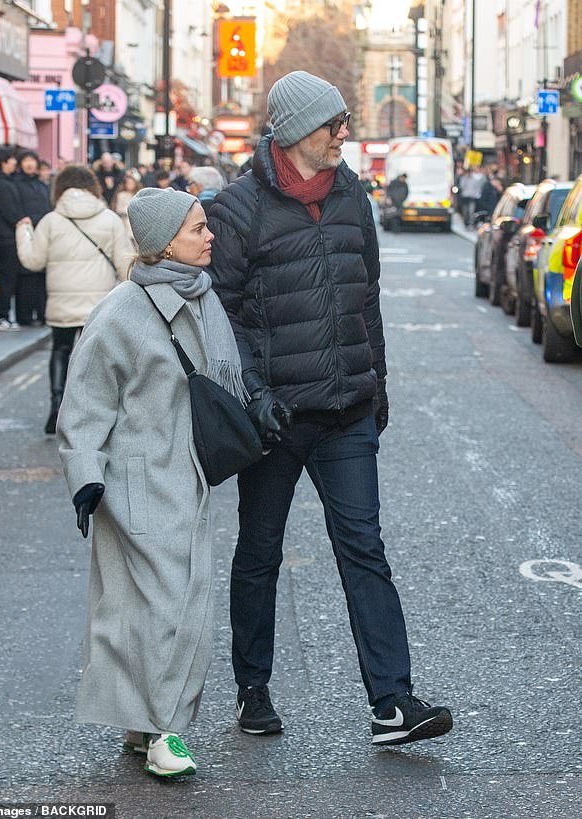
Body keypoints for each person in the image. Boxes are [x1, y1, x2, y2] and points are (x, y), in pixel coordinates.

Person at [208, 70, 453, 747]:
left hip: (347, 410)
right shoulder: (237, 210)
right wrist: (252, 397)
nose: (343, 132)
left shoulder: (352, 196)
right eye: (331, 123)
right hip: (276, 418)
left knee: (365, 548)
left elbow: (367, 297)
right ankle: (252, 689)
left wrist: (377, 387)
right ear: (292, 133)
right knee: (260, 552)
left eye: (343, 119)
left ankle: (392, 702)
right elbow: (216, 320)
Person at [56, 186, 244, 778]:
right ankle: (168, 731)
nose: (209, 236)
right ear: (165, 243)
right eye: (197, 229)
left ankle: (142, 726)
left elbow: (221, 380)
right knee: (167, 608)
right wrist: (86, 480)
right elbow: (83, 405)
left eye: (206, 225)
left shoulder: (205, 299)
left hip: (185, 477)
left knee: (158, 606)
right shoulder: (120, 311)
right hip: (133, 483)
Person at [16, 165, 132, 434]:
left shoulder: (50, 221)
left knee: (60, 349)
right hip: (99, 303)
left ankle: (56, 406)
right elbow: (124, 266)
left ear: (60, 189)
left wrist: (23, 232)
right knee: (97, 358)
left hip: (61, 302)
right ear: (93, 187)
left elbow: (33, 261)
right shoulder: (109, 219)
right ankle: (92, 414)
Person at [14, 150, 52, 325]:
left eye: (32, 161)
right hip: (26, 234)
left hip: (42, 234)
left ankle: (41, 313)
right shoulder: (16, 184)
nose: (29, 164)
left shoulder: (41, 185)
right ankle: (25, 315)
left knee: (41, 277)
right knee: (26, 277)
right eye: (26, 161)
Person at [0, 148, 23, 331]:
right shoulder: (1, 183)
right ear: (3, 162)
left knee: (9, 278)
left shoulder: (3, 181)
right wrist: (20, 220)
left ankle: (4, 315)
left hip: (6, 237)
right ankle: (1, 316)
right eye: (11, 159)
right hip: (5, 238)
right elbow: (8, 210)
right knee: (7, 278)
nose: (14, 163)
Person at [111, 171, 142, 245]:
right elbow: (118, 209)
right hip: (125, 221)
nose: (129, 185)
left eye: (131, 183)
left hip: (137, 223)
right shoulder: (121, 195)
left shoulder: (138, 195)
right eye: (128, 183)